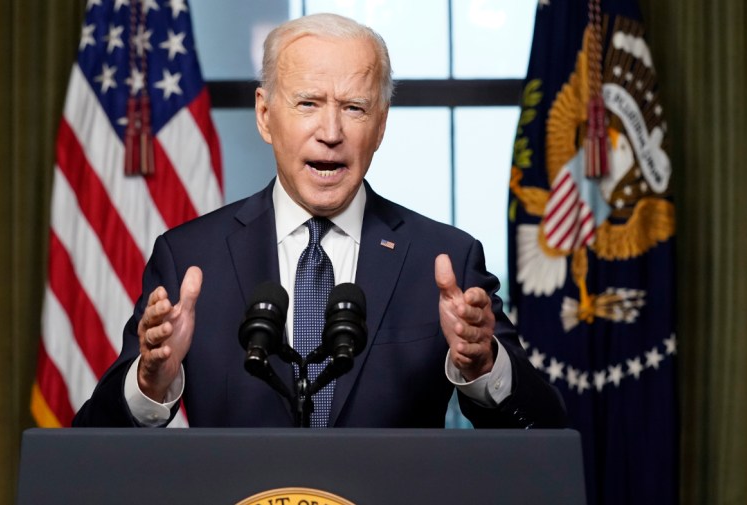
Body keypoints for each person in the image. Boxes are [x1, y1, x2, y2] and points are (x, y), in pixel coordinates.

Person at [73, 13, 566, 429]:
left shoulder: (443, 261)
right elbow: (93, 442)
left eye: (354, 108)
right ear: (265, 116)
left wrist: (484, 365)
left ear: (381, 125)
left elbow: (546, 428)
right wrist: (149, 382)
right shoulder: (191, 258)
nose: (330, 132)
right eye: (308, 103)